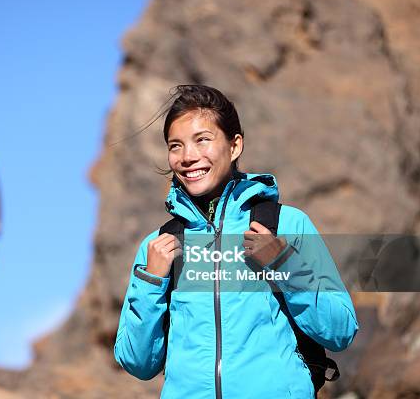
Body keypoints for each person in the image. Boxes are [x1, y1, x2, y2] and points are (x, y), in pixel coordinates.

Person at [114, 85, 359, 398]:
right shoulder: (160, 245)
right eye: (176, 146)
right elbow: (137, 362)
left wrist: (284, 264)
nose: (188, 157)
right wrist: (150, 283)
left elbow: (340, 331)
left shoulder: (287, 224)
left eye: (202, 140)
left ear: (234, 146)